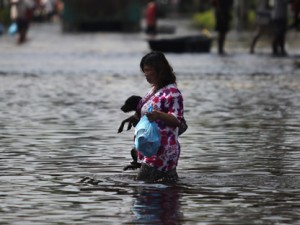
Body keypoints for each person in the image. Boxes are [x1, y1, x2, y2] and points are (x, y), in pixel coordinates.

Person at [134, 51, 184, 183]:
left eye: (148, 70)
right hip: (152, 148)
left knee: (142, 188)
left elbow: (177, 120)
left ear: (160, 70)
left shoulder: (172, 93)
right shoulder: (154, 90)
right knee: (168, 186)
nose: (146, 74)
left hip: (163, 150)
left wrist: (158, 115)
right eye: (144, 71)